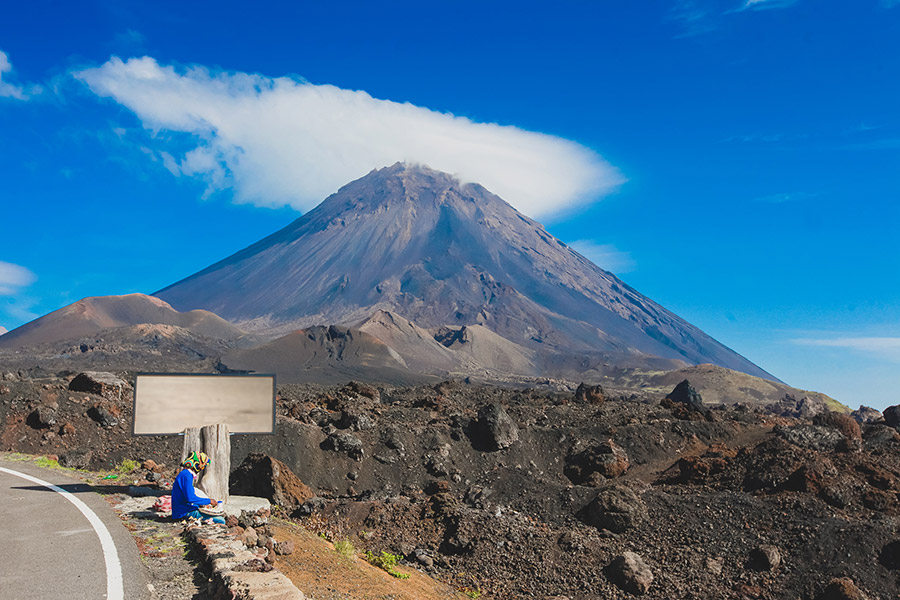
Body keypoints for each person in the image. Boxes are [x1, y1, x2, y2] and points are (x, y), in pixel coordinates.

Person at [172, 451, 225, 524]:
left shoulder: (185, 474)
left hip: (182, 510)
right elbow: (190, 498)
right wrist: (209, 501)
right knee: (221, 520)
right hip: (183, 513)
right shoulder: (187, 475)